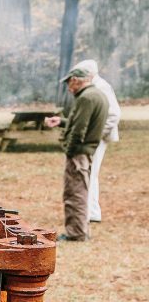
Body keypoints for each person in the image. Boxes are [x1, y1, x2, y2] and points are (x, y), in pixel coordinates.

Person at [44, 63, 109, 241]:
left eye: (68, 83)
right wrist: (61, 121)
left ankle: (76, 233)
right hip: (87, 150)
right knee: (80, 191)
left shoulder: (85, 98)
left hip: (79, 153)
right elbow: (80, 122)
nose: (68, 88)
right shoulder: (97, 95)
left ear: (75, 80)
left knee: (75, 193)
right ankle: (80, 231)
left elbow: (79, 130)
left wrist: (69, 150)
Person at [78, 59, 120, 224]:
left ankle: (88, 212)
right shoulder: (93, 86)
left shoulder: (102, 87)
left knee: (89, 173)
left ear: (89, 74)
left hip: (97, 138)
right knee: (90, 173)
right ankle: (92, 212)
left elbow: (114, 114)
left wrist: (97, 134)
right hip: (94, 136)